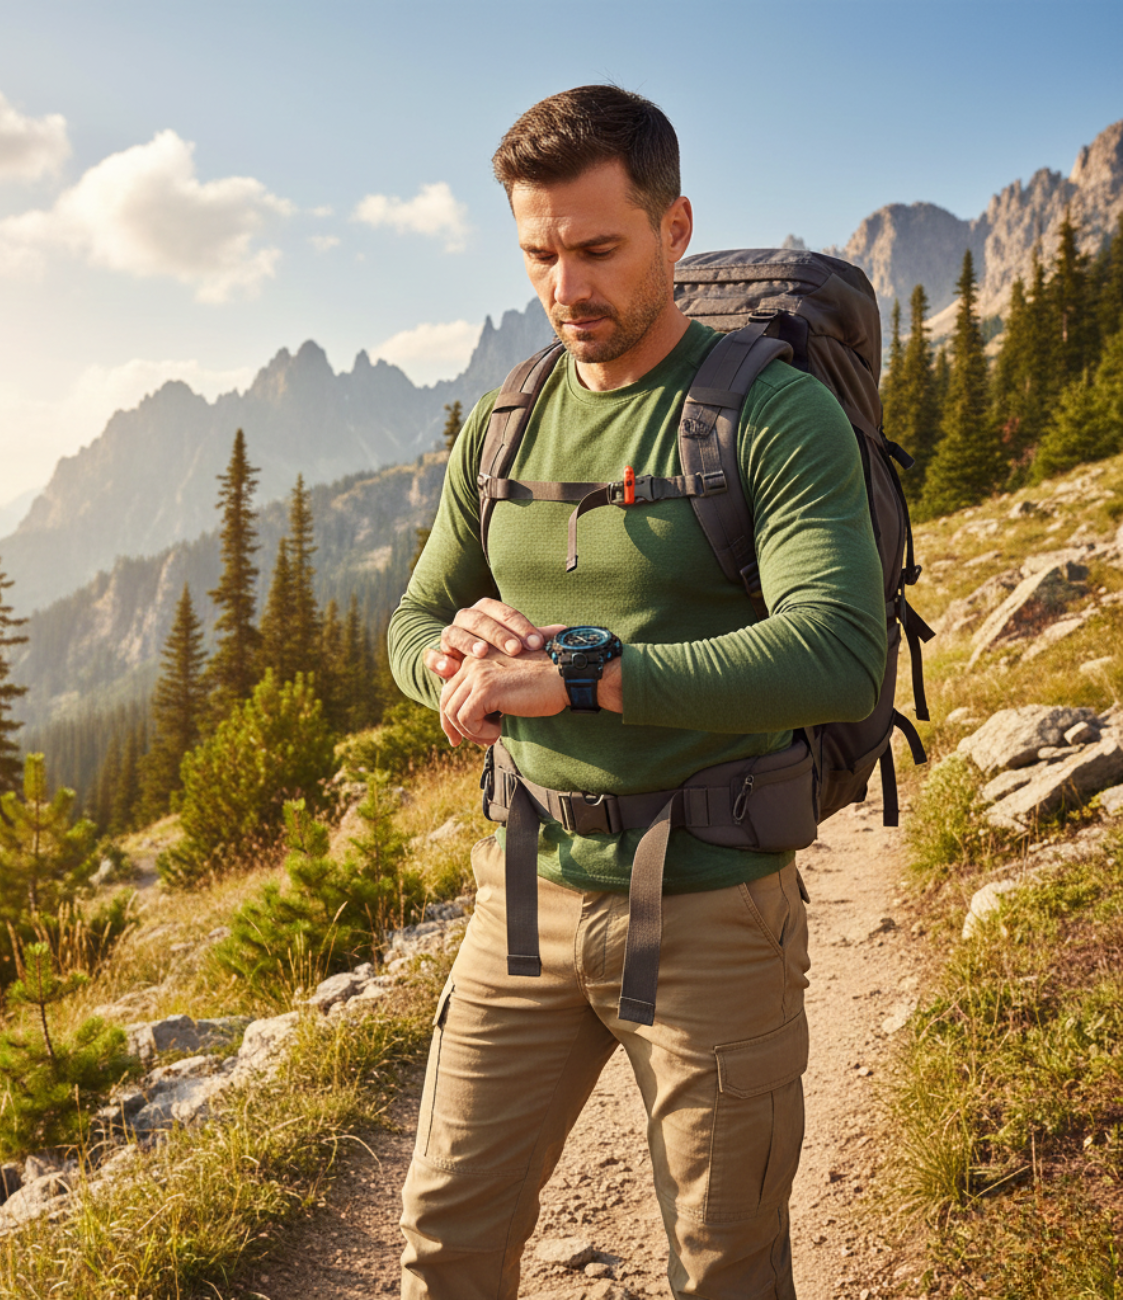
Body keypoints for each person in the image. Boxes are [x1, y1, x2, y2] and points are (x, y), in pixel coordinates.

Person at [386, 85, 886, 1299]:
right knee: (444, 1237)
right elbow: (406, 622)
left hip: (713, 903)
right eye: (539, 255)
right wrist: (450, 661)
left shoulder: (771, 411)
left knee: (724, 1265)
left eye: (598, 249)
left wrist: (581, 674)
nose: (567, 288)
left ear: (673, 230)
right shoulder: (507, 421)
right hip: (522, 894)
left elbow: (836, 652)